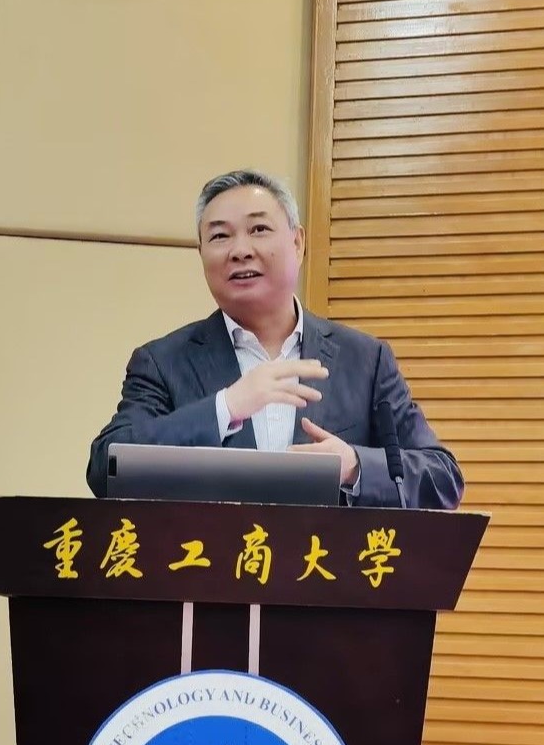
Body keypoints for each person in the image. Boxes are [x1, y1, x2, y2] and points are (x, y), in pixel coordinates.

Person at [87, 169, 463, 509]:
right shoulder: (162, 362)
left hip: (325, 563)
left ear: (297, 243)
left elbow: (442, 478)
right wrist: (225, 408)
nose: (240, 250)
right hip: (209, 565)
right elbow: (106, 467)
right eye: (219, 236)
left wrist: (355, 466)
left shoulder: (364, 359)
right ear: (201, 254)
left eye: (259, 230)